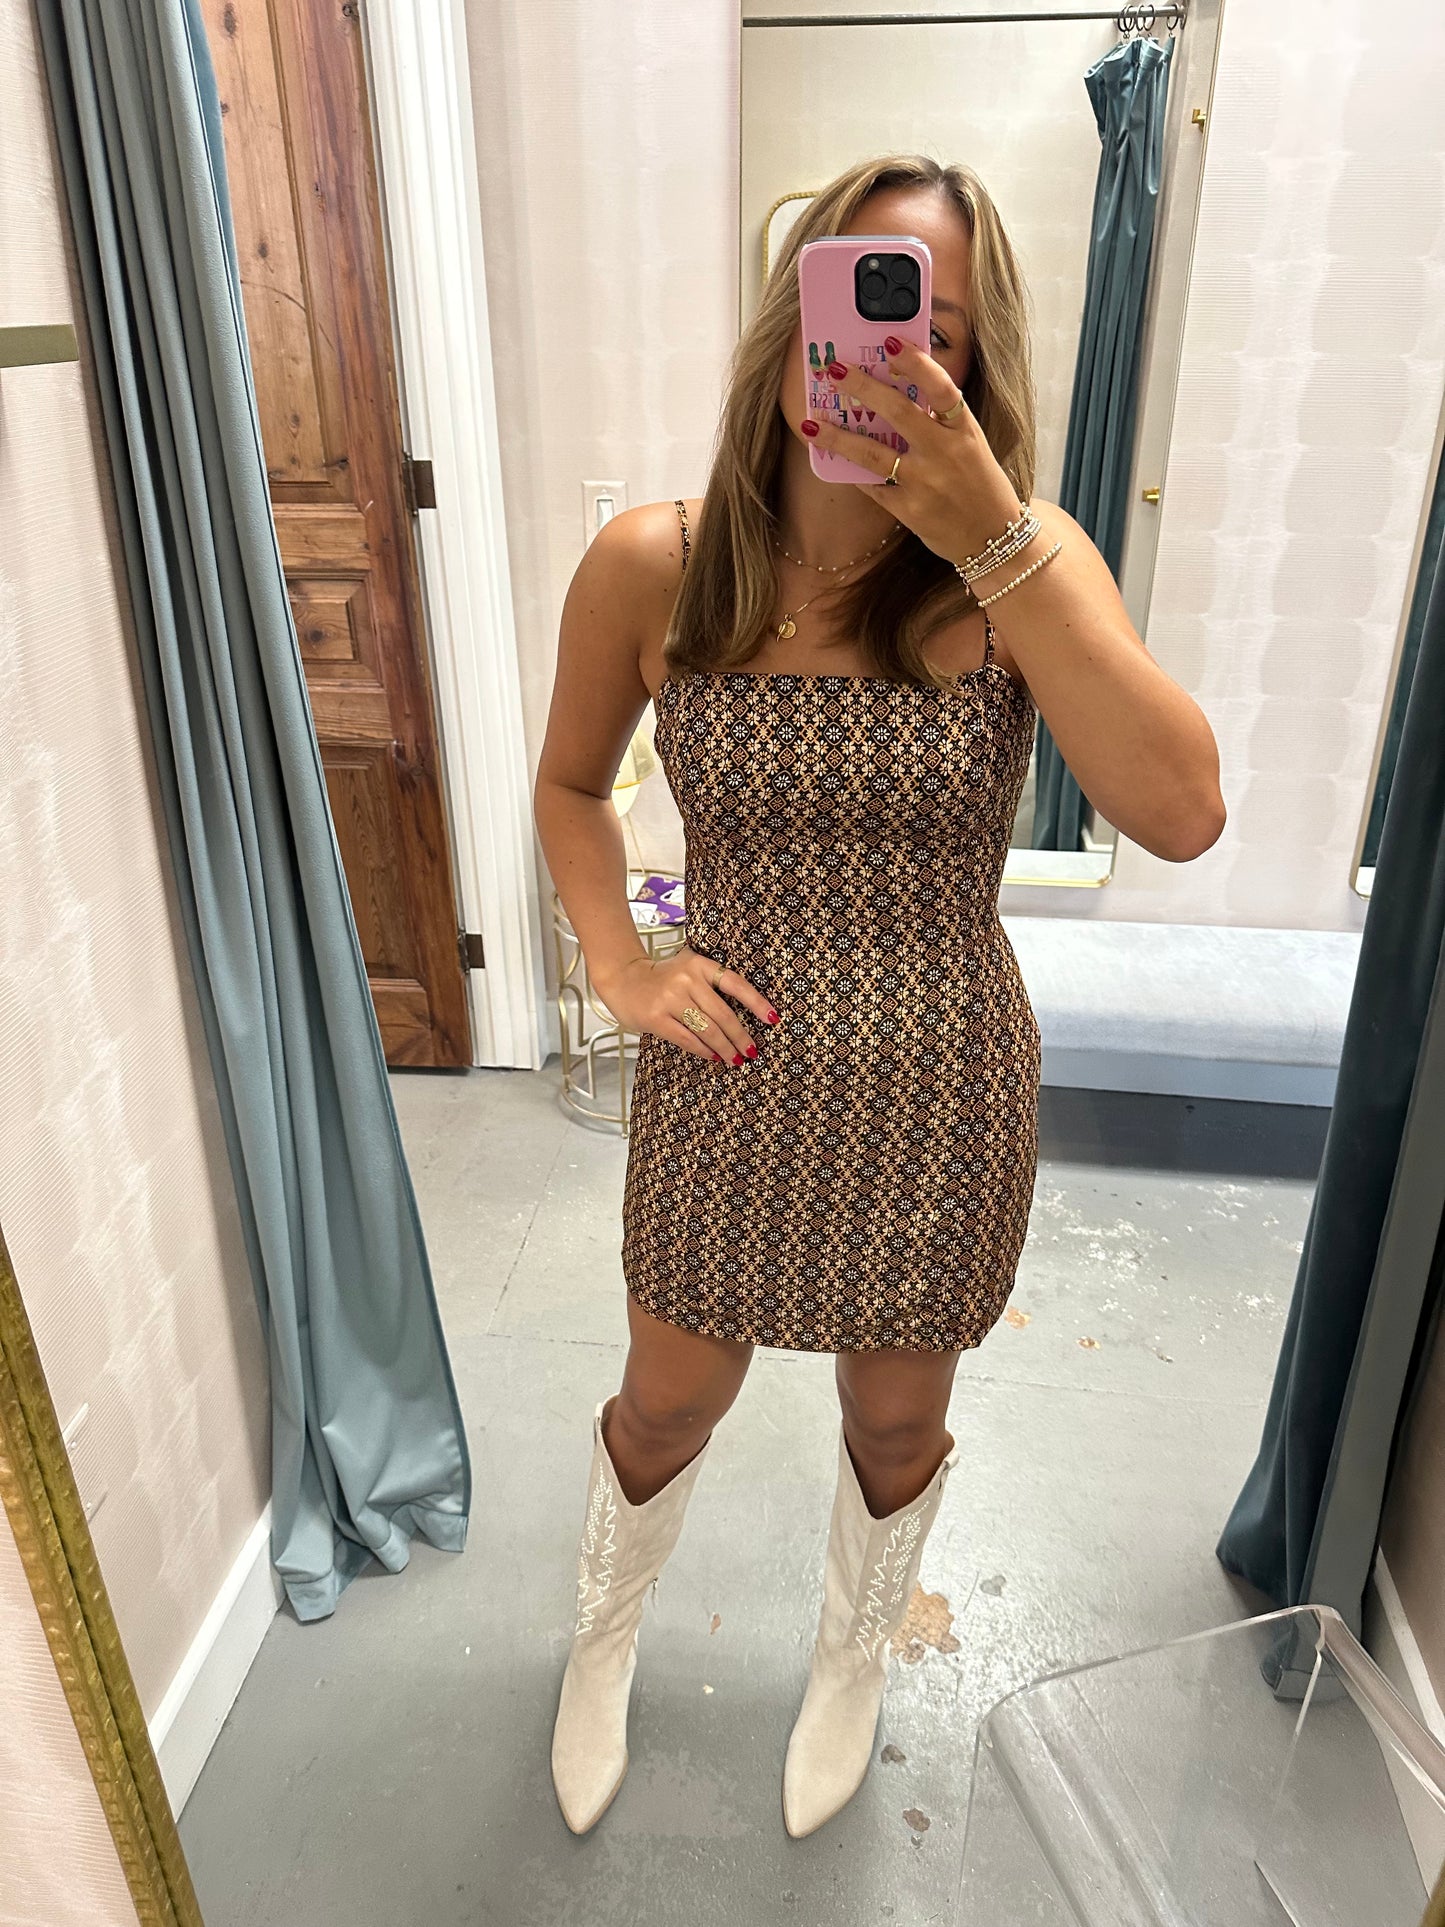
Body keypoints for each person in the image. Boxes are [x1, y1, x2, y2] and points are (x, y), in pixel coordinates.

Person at [531, 152, 1224, 1839]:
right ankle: (601, 1637)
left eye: (940, 334)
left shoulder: (1020, 566)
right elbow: (569, 786)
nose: (889, 354)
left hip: (939, 1085)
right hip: (727, 1078)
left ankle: (852, 1654)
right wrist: (619, 961)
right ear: (793, 321)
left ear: (976, 373)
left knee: (896, 1414)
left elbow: (1180, 811)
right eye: (860, 301)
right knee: (667, 1397)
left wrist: (994, 536)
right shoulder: (654, 563)